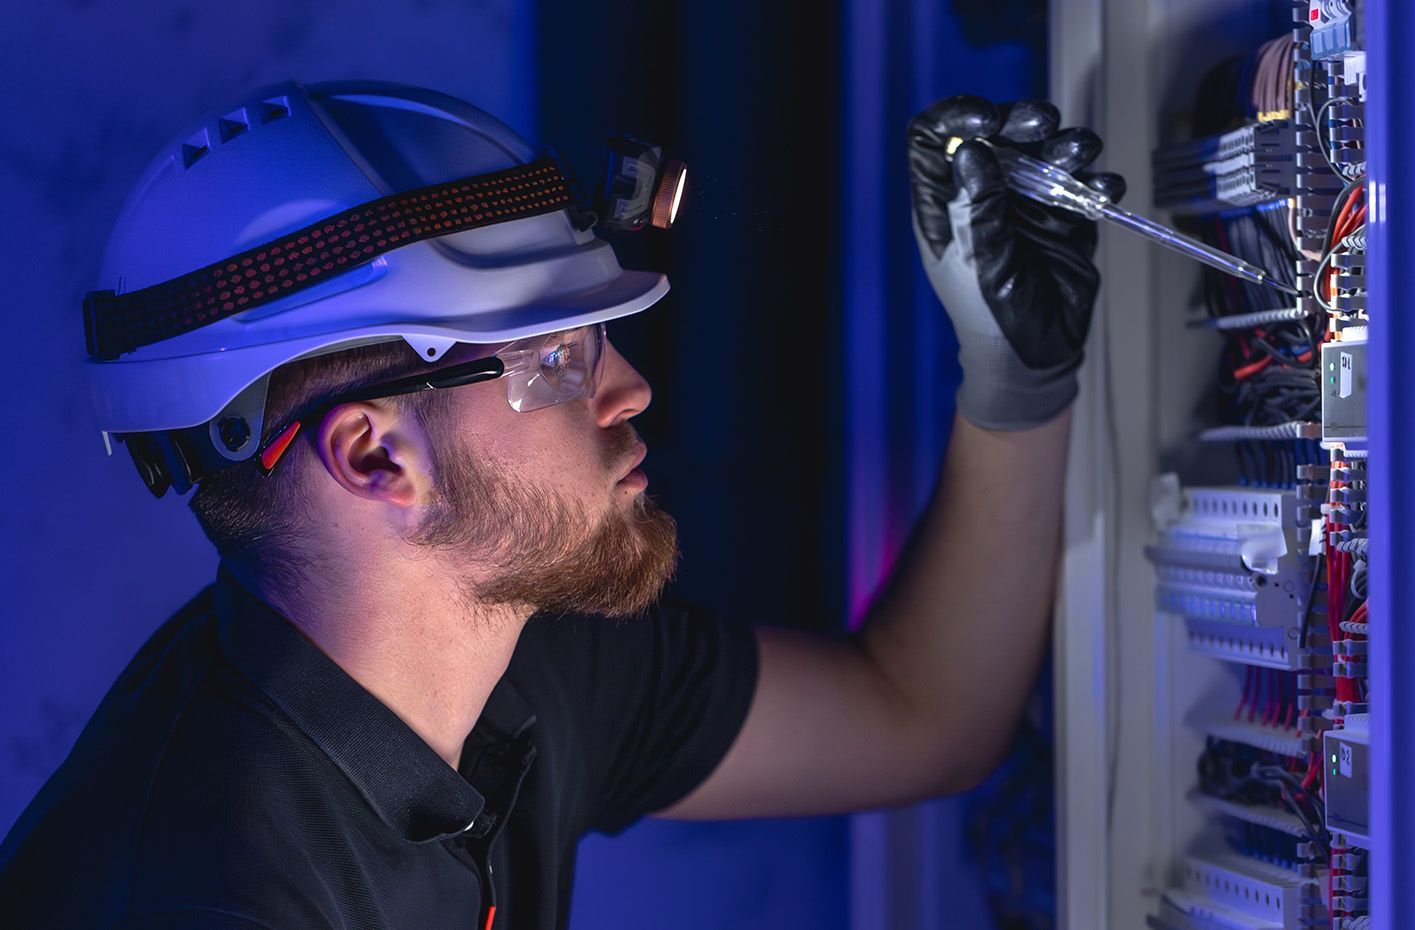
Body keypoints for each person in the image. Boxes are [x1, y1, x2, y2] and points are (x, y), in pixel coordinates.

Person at [0, 81, 1122, 929]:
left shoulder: (530, 653)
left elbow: (920, 715)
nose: (632, 388)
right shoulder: (195, 892)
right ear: (375, 457)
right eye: (557, 356)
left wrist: (1016, 383)